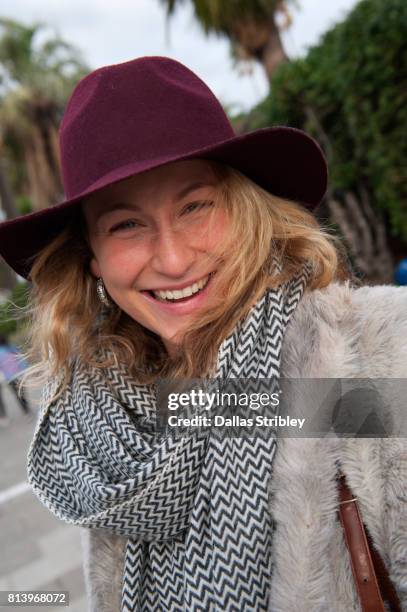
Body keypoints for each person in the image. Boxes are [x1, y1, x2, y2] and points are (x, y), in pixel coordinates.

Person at [0, 56, 405, 612]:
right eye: (126, 224)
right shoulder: (105, 424)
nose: (171, 258)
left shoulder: (375, 351)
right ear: (90, 255)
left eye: (195, 206)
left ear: (244, 210)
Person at [0, 333, 31, 423]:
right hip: (20, 374)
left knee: (16, 394)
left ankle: (26, 411)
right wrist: (26, 369)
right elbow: (22, 359)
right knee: (21, 393)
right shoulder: (12, 347)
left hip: (9, 377)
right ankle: (26, 410)